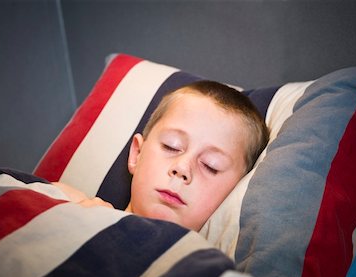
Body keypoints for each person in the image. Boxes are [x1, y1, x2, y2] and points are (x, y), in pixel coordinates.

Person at [54, 80, 269, 231]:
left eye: (210, 165)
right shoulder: (65, 201)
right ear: (137, 154)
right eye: (171, 146)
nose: (182, 168)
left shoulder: (205, 276)